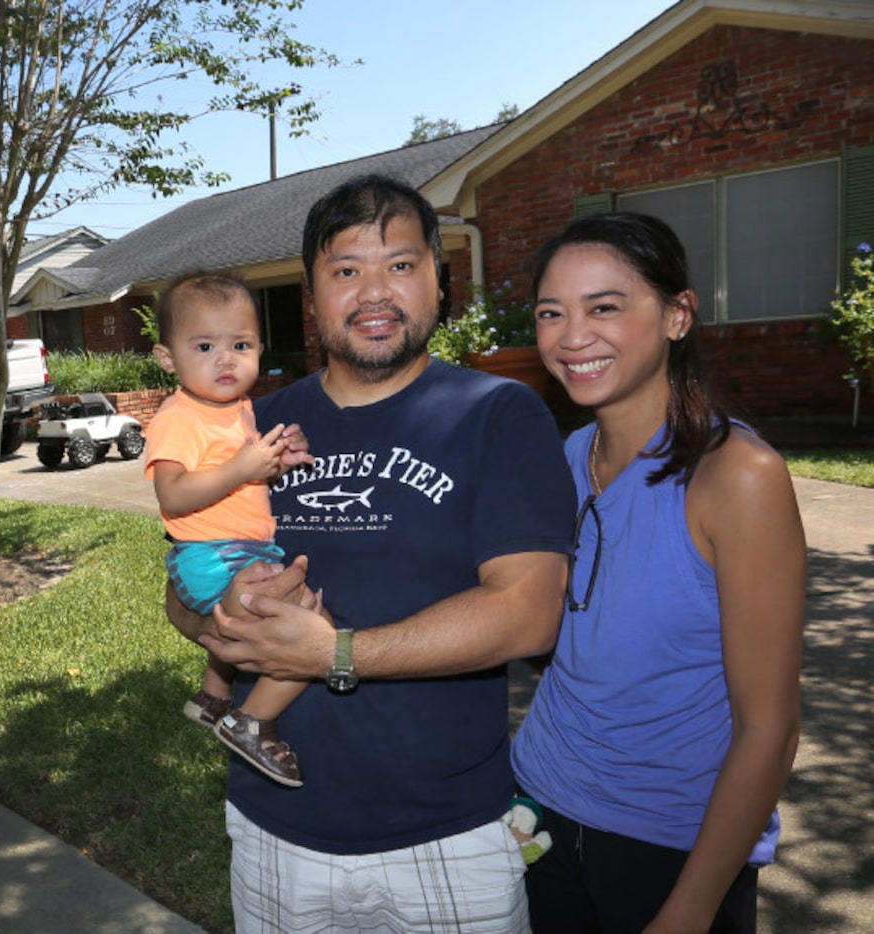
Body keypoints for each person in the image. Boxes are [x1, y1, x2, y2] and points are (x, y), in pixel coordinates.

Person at [167, 172, 577, 933]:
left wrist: (335, 653)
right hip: (272, 828)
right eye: (345, 270)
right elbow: (181, 586)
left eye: (400, 264)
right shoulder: (253, 425)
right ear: (311, 295)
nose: (374, 292)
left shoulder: (497, 414)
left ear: (437, 281)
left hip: (447, 835)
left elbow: (528, 614)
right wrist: (222, 615)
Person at [511, 212, 805, 934]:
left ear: (677, 315)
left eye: (603, 307)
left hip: (669, 845)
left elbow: (768, 728)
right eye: (552, 313)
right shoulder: (566, 458)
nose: (571, 336)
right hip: (536, 809)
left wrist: (690, 909)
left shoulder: (737, 477)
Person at [145, 271, 314, 787]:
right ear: (168, 358)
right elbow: (173, 494)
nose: (226, 358)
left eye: (241, 344)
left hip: (237, 546)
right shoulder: (178, 416)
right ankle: (251, 720)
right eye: (204, 345)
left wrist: (276, 465)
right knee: (306, 622)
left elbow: (240, 478)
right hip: (212, 555)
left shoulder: (240, 410)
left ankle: (214, 696)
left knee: (281, 616)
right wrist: (243, 468)